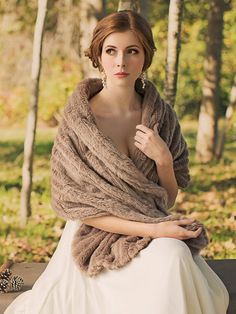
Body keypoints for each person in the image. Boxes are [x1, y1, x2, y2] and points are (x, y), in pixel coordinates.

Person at [5, 10, 229, 314]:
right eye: (111, 51)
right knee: (171, 253)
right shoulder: (78, 122)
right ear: (98, 56)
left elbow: (169, 198)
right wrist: (156, 231)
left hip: (151, 224)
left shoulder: (161, 117)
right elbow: (76, 207)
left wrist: (163, 158)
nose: (121, 61)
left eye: (132, 51)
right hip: (95, 236)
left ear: (145, 58)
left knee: (174, 256)